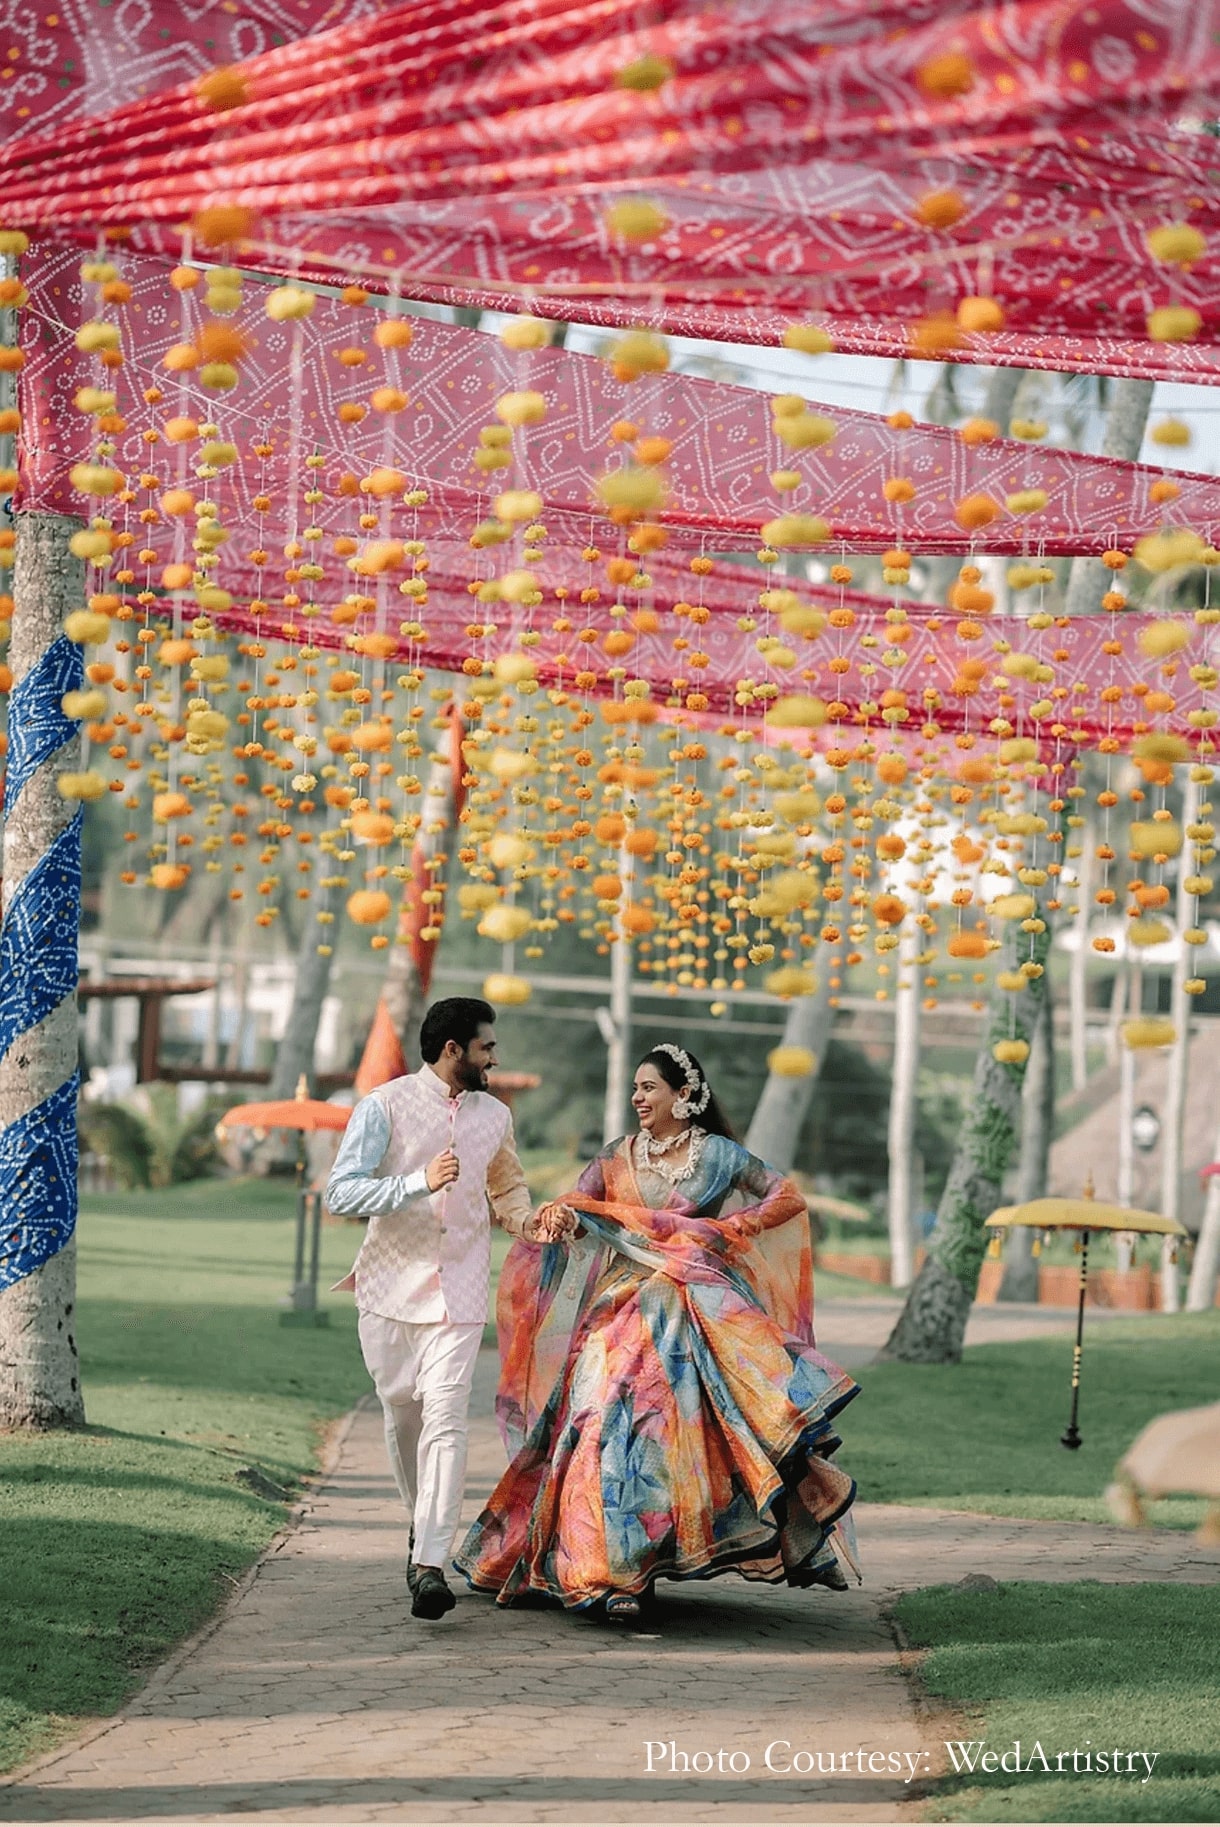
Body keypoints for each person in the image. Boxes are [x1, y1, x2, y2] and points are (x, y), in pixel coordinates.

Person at [454, 1043, 860, 1623]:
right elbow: (579, 1201)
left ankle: (648, 1562)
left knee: (688, 1438)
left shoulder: (719, 1156)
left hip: (695, 1309)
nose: (637, 1098)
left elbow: (786, 1196)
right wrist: (565, 1217)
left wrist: (728, 1230)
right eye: (637, 1089)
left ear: (684, 1094)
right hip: (620, 1310)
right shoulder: (618, 1158)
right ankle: (604, 1571)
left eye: (649, 1088)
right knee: (596, 1425)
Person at [326, 996, 573, 1621]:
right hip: (386, 1290)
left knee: (446, 1421)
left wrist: (534, 1223)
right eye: (487, 1046)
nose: (496, 1057)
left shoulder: (495, 1116)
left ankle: (431, 1561)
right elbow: (341, 1191)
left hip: (459, 1292)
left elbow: (507, 1190)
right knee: (401, 1415)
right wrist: (417, 1182)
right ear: (453, 1049)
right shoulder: (383, 1105)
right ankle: (421, 1525)